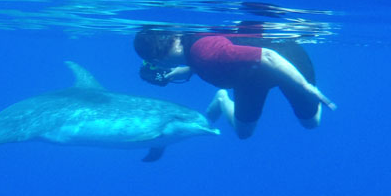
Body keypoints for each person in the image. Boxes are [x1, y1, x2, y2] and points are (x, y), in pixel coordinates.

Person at [134, 29, 335, 138]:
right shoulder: (190, 46)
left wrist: (304, 86)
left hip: (285, 60)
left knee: (311, 123)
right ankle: (222, 99)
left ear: (156, 61)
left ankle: (223, 97)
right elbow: (209, 60)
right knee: (244, 132)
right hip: (249, 77)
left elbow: (268, 56)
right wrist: (174, 75)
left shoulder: (204, 53)